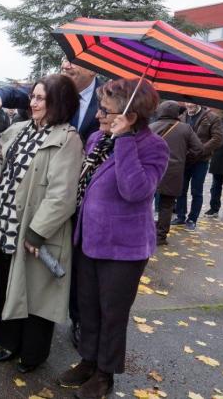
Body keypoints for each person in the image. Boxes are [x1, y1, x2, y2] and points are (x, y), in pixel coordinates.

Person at [57, 78, 169, 399]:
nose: (99, 116)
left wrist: (124, 141)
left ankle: (105, 375)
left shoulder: (153, 146)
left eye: (106, 112)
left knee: (112, 314)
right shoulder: (96, 138)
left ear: (130, 117)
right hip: (89, 239)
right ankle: (88, 361)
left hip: (124, 249)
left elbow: (135, 191)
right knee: (87, 307)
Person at [0, 59, 101, 347]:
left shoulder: (68, 140)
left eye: (40, 98)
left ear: (58, 102)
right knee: (7, 284)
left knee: (35, 296)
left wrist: (37, 231)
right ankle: (7, 344)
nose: (33, 103)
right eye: (33, 96)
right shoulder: (20, 128)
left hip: (35, 233)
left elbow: (62, 196)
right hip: (6, 228)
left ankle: (32, 355)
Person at [149, 101, 203, 245]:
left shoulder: (151, 127)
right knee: (167, 205)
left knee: (146, 202)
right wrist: (184, 160)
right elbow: (198, 149)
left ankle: (143, 232)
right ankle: (160, 236)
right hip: (174, 171)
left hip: (152, 170)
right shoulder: (185, 128)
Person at [171, 102, 223, 230]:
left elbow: (217, 139)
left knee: (196, 191)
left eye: (192, 102)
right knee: (181, 189)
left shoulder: (212, 117)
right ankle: (180, 216)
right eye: (187, 102)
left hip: (201, 161)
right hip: (184, 159)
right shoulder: (181, 116)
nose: (189, 105)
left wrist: (199, 150)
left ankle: (192, 219)